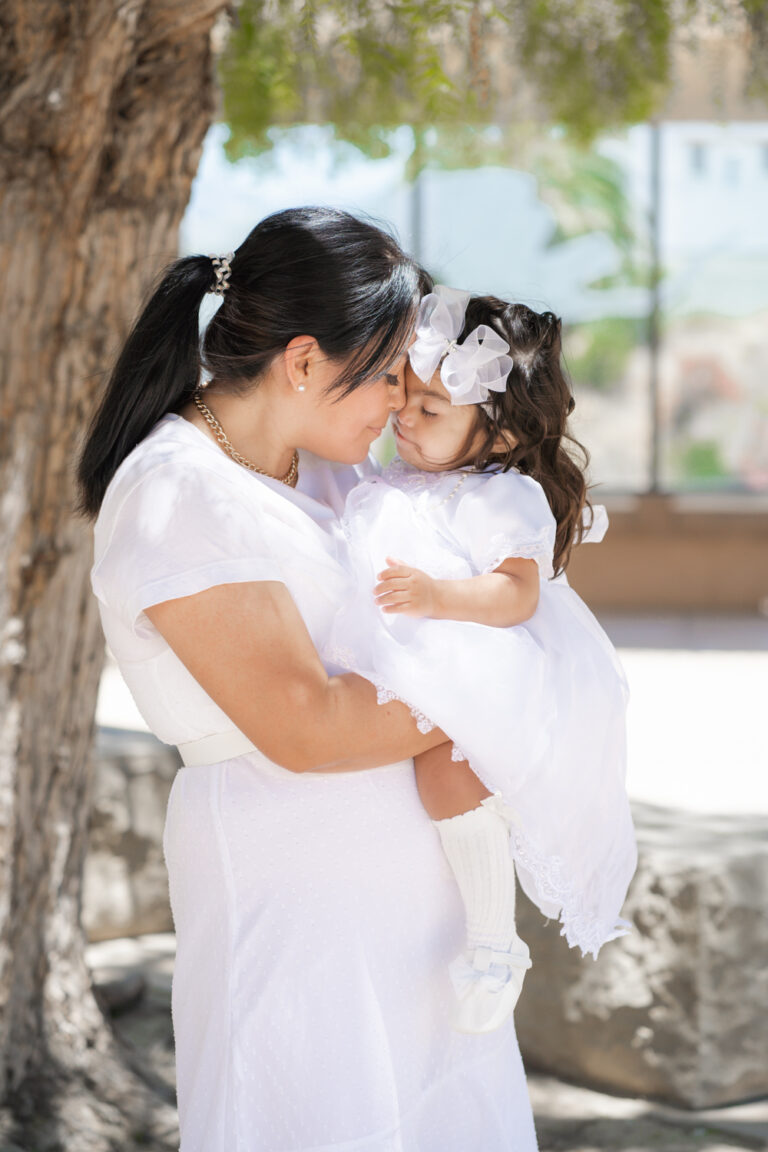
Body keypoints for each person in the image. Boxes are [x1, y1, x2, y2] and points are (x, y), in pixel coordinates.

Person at [77, 211, 540, 1152]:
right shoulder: (178, 492)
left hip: (410, 912)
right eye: (386, 378)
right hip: (291, 892)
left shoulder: (324, 473)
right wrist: (508, 683)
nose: (399, 408)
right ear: (301, 362)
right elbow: (310, 727)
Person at [324, 285, 638, 1035]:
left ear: (497, 437)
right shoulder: (393, 478)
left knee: (446, 775)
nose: (406, 418)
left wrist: (437, 596)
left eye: (433, 411)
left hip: (470, 663)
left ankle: (496, 942)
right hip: (406, 654)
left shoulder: (502, 498)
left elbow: (516, 595)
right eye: (408, 399)